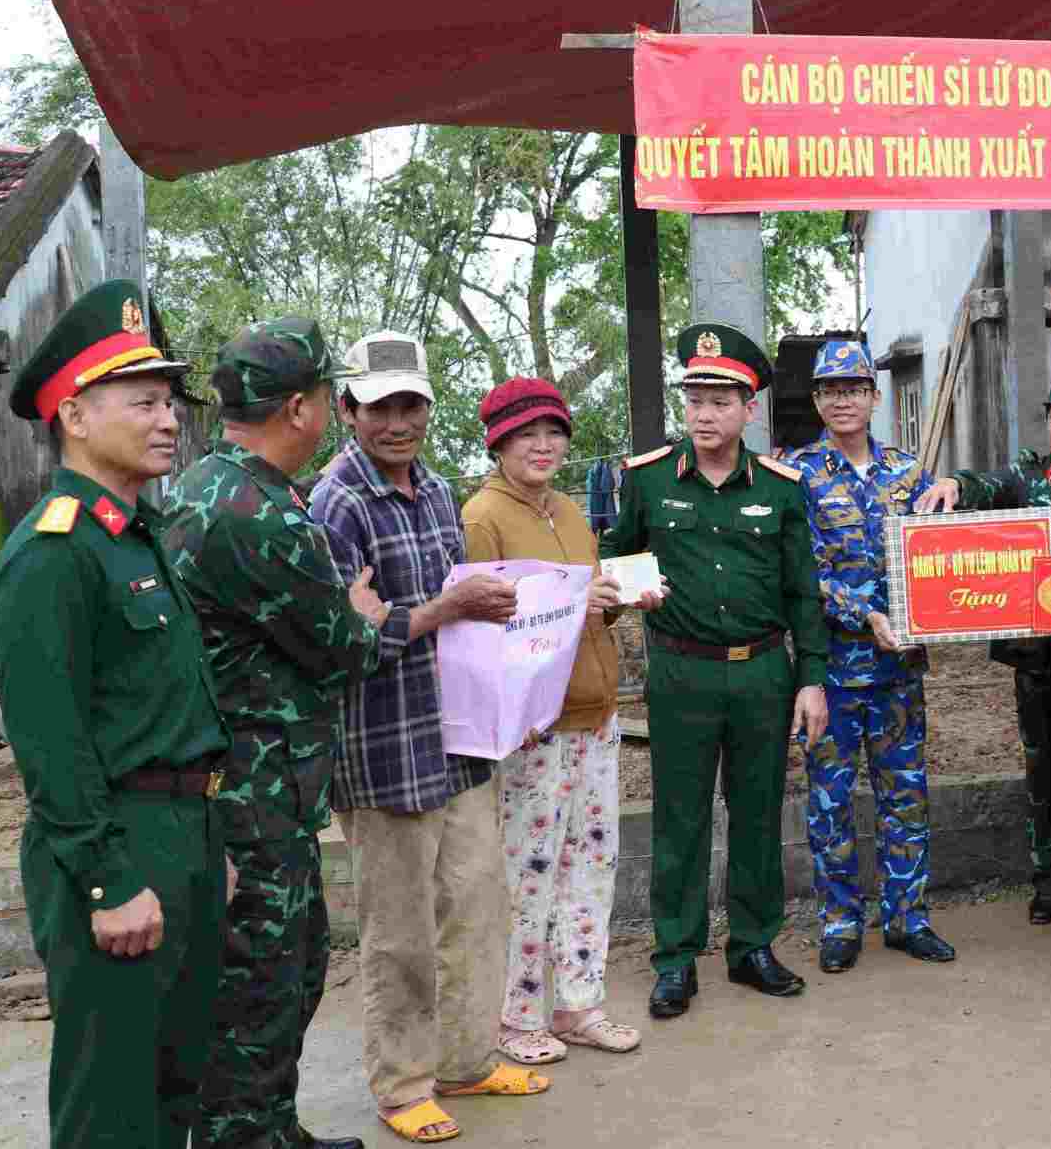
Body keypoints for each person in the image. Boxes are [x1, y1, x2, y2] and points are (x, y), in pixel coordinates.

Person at [0, 278, 232, 1149]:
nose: (169, 419)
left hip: (183, 836)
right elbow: (49, 740)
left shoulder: (135, 536)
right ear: (75, 417)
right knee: (111, 1104)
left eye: (170, 402)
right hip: (116, 842)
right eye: (144, 401)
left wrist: (208, 851)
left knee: (175, 1089)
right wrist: (105, 877)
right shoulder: (54, 552)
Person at [310, 331, 542, 1144]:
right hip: (381, 751)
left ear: (429, 411)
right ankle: (403, 1083)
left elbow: (432, 611)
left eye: (411, 404)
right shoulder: (332, 503)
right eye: (379, 407)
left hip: (459, 739)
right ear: (348, 409)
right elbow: (347, 636)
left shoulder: (440, 491)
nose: (397, 422)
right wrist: (442, 612)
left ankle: (467, 1058)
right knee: (400, 930)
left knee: (477, 905)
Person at [164, 318, 385, 1149]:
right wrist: (360, 609)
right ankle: (242, 1137)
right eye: (328, 396)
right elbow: (344, 647)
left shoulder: (204, 485)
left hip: (256, 784)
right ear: (300, 408)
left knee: (288, 965)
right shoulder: (262, 518)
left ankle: (269, 1127)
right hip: (255, 788)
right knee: (265, 978)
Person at [601, 322, 829, 1018]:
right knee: (680, 818)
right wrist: (619, 590)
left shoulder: (783, 489)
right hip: (682, 674)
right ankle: (675, 956)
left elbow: (802, 591)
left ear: (747, 408)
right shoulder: (646, 481)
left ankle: (753, 946)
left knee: (759, 814)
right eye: (695, 398)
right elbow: (613, 562)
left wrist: (811, 677)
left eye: (721, 399)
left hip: (762, 673)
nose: (704, 413)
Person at [461, 377, 641, 1066]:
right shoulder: (483, 516)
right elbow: (481, 629)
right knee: (529, 871)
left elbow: (584, 605)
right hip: (535, 724)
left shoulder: (568, 509)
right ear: (498, 442)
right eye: (525, 433)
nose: (542, 444)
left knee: (592, 864)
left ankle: (578, 1004)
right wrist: (573, 610)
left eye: (554, 431)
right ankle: (516, 1014)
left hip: (596, 714)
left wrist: (622, 598)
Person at [780, 340, 954, 971]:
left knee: (906, 794)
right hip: (829, 671)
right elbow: (799, 571)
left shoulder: (909, 474)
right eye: (830, 391)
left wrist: (953, 491)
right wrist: (866, 614)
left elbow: (938, 560)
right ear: (818, 402)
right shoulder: (797, 475)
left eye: (854, 388)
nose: (842, 400)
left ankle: (908, 918)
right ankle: (840, 921)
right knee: (830, 801)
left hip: (899, 671)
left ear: (875, 397)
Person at [914, 373, 1051, 924]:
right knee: (1045, 770)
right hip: (1040, 657)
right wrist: (953, 482)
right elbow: (985, 484)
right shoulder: (1028, 474)